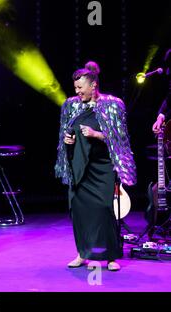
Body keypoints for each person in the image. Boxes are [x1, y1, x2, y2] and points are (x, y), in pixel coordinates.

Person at [55, 61, 136, 271]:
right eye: (75, 88)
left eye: (80, 87)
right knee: (80, 212)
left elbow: (120, 137)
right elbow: (65, 133)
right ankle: (83, 254)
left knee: (104, 210)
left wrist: (96, 135)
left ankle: (110, 257)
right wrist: (67, 141)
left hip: (102, 167)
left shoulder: (112, 104)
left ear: (93, 85)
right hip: (80, 166)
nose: (77, 91)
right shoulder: (71, 105)